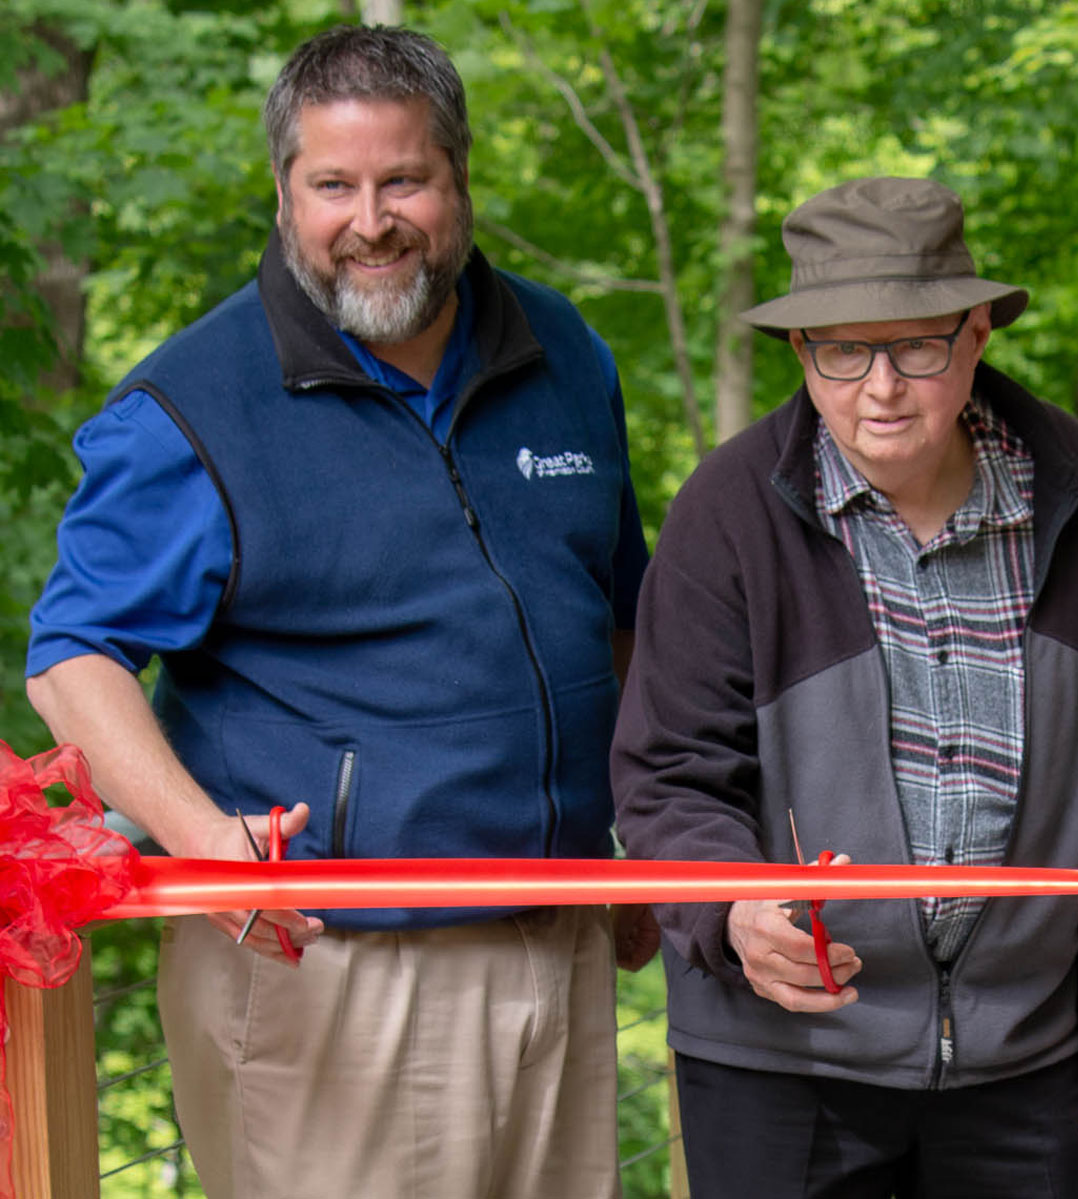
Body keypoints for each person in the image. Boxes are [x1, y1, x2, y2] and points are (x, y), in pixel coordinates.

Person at [24, 26, 650, 1199]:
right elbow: (72, 659)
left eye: (404, 178)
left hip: (563, 933)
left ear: (459, 179)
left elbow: (614, 622)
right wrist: (206, 843)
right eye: (334, 186)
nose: (373, 219)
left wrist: (630, 836)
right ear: (282, 194)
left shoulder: (563, 351)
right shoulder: (193, 404)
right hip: (335, 964)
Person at [610, 176, 1078, 1197]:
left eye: (916, 345)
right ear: (800, 352)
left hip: (1026, 1059)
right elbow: (666, 778)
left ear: (974, 334)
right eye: (842, 350)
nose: (881, 387)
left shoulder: (1076, 494)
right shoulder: (726, 513)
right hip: (785, 1059)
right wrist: (733, 907)